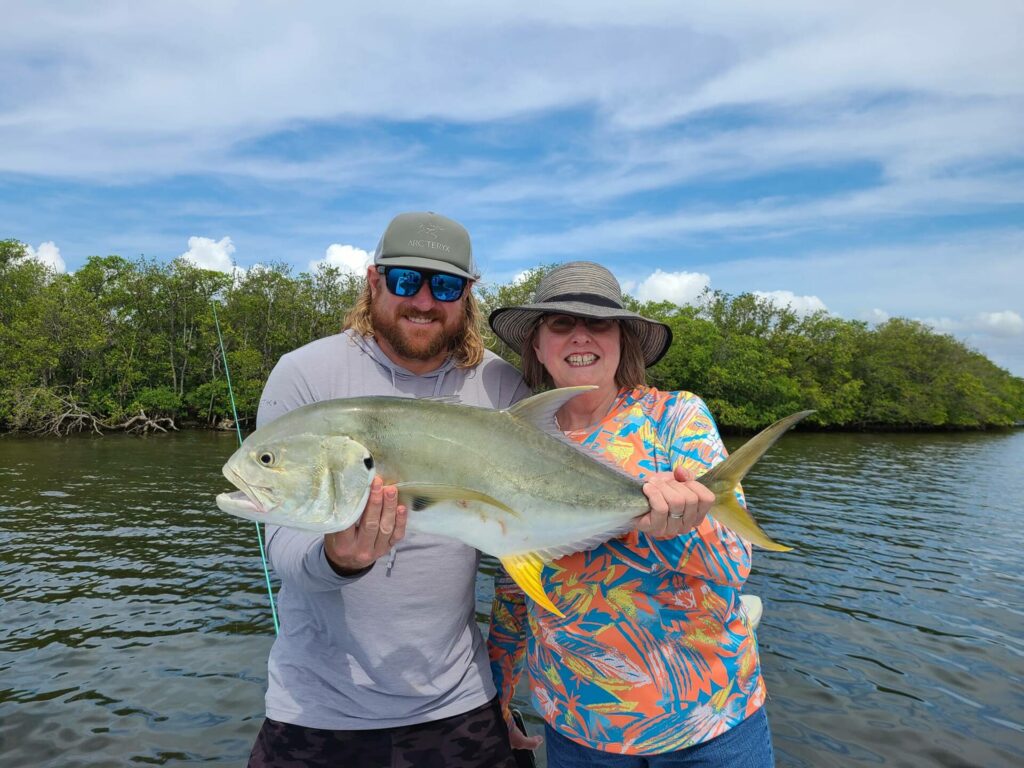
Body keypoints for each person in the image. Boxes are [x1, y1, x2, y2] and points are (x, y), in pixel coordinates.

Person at [246, 212, 532, 768]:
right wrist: (339, 559)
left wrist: (507, 690)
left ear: (467, 295)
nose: (424, 300)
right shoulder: (304, 375)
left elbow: (522, 555)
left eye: (445, 285)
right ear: (373, 281)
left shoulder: (500, 384)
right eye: (407, 280)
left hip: (460, 700)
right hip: (317, 709)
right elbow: (283, 546)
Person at [487, 261, 775, 767]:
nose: (580, 335)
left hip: (710, 722)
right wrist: (500, 698)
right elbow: (513, 586)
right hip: (580, 729)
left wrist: (679, 529)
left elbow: (736, 564)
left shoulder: (675, 416)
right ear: (537, 345)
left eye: (598, 323)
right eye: (560, 323)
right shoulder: (513, 442)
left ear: (622, 341)